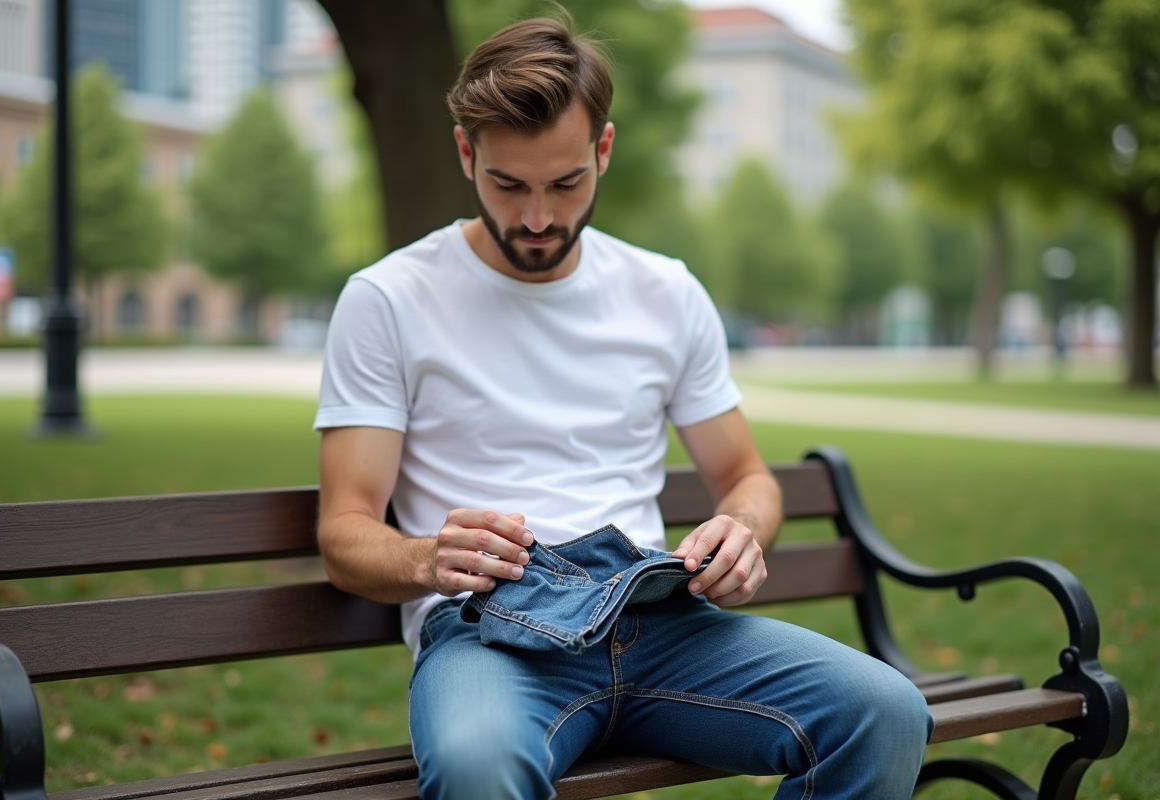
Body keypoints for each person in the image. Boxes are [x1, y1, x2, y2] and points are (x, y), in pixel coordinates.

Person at [314, 14, 932, 800]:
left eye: (566, 183)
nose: (538, 219)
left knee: (884, 713)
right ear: (466, 154)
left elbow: (746, 476)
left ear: (603, 150)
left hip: (659, 622)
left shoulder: (664, 292)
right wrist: (426, 559)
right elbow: (345, 533)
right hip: (491, 636)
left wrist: (742, 532)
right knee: (477, 767)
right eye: (509, 184)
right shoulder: (388, 300)